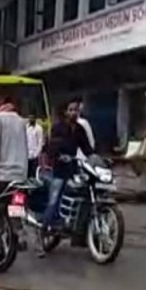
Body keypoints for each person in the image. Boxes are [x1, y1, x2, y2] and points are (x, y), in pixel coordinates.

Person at [42, 99, 93, 236]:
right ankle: (42, 232)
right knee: (54, 200)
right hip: (58, 169)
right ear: (66, 112)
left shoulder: (79, 129)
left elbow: (87, 148)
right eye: (70, 110)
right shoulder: (58, 127)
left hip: (72, 168)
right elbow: (50, 147)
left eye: (75, 110)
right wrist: (59, 155)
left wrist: (96, 159)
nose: (73, 113)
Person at [26, 114, 44, 179]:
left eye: (32, 118)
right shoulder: (26, 127)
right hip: (27, 154)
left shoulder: (38, 128)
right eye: (29, 118)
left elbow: (40, 142)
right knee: (27, 172)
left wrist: (36, 153)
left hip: (34, 154)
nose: (31, 119)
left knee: (34, 172)